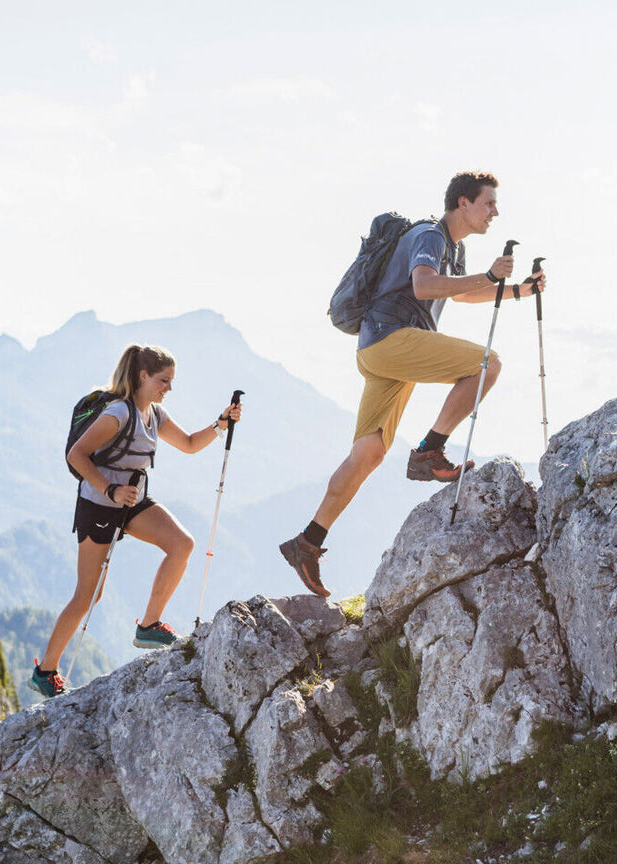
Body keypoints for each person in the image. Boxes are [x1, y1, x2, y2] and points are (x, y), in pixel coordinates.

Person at [279, 171, 546, 597]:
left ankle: (307, 541)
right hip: (393, 339)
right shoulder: (431, 235)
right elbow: (424, 286)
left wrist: (516, 290)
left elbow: (457, 294)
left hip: (379, 350)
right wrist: (491, 277)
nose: (495, 212)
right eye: (488, 203)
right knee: (487, 364)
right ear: (463, 203)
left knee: (368, 454)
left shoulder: (450, 248)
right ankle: (428, 451)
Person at [30, 344, 243, 698]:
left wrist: (220, 424)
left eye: (171, 381)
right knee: (89, 595)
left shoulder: (154, 414)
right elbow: (77, 455)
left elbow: (189, 444)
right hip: (100, 504)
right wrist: (110, 490)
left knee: (181, 544)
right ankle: (45, 671)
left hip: (133, 501)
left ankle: (149, 626)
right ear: (142, 376)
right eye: (164, 380)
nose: (168, 388)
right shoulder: (117, 413)